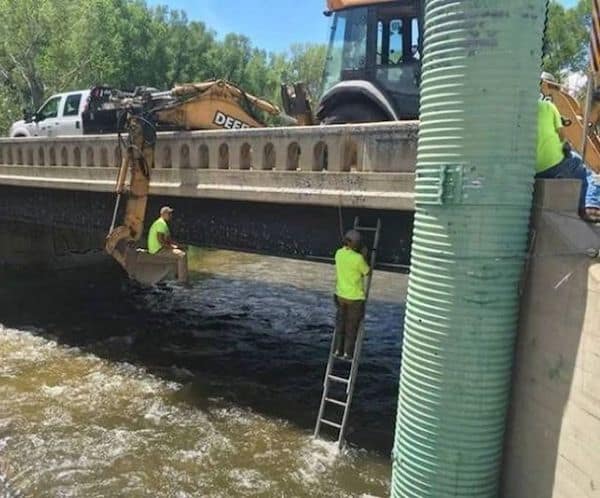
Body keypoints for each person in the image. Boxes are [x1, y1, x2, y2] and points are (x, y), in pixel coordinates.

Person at [536, 97, 600, 221]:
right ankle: (587, 206)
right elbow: (561, 135)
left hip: (532, 168)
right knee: (580, 166)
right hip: (553, 165)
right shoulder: (548, 106)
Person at [333, 229, 370, 360]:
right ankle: (348, 353)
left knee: (341, 324)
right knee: (351, 327)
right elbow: (367, 272)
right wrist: (365, 256)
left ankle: (338, 350)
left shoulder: (338, 254)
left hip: (340, 296)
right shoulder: (359, 259)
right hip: (354, 299)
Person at [147, 206, 189, 283]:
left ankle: (177, 276)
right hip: (157, 250)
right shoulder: (161, 224)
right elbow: (161, 241)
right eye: (169, 213)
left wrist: (179, 246)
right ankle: (183, 281)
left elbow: (169, 240)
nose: (171, 215)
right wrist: (172, 247)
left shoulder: (163, 224)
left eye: (171, 214)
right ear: (163, 214)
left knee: (180, 251)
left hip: (160, 248)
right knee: (182, 255)